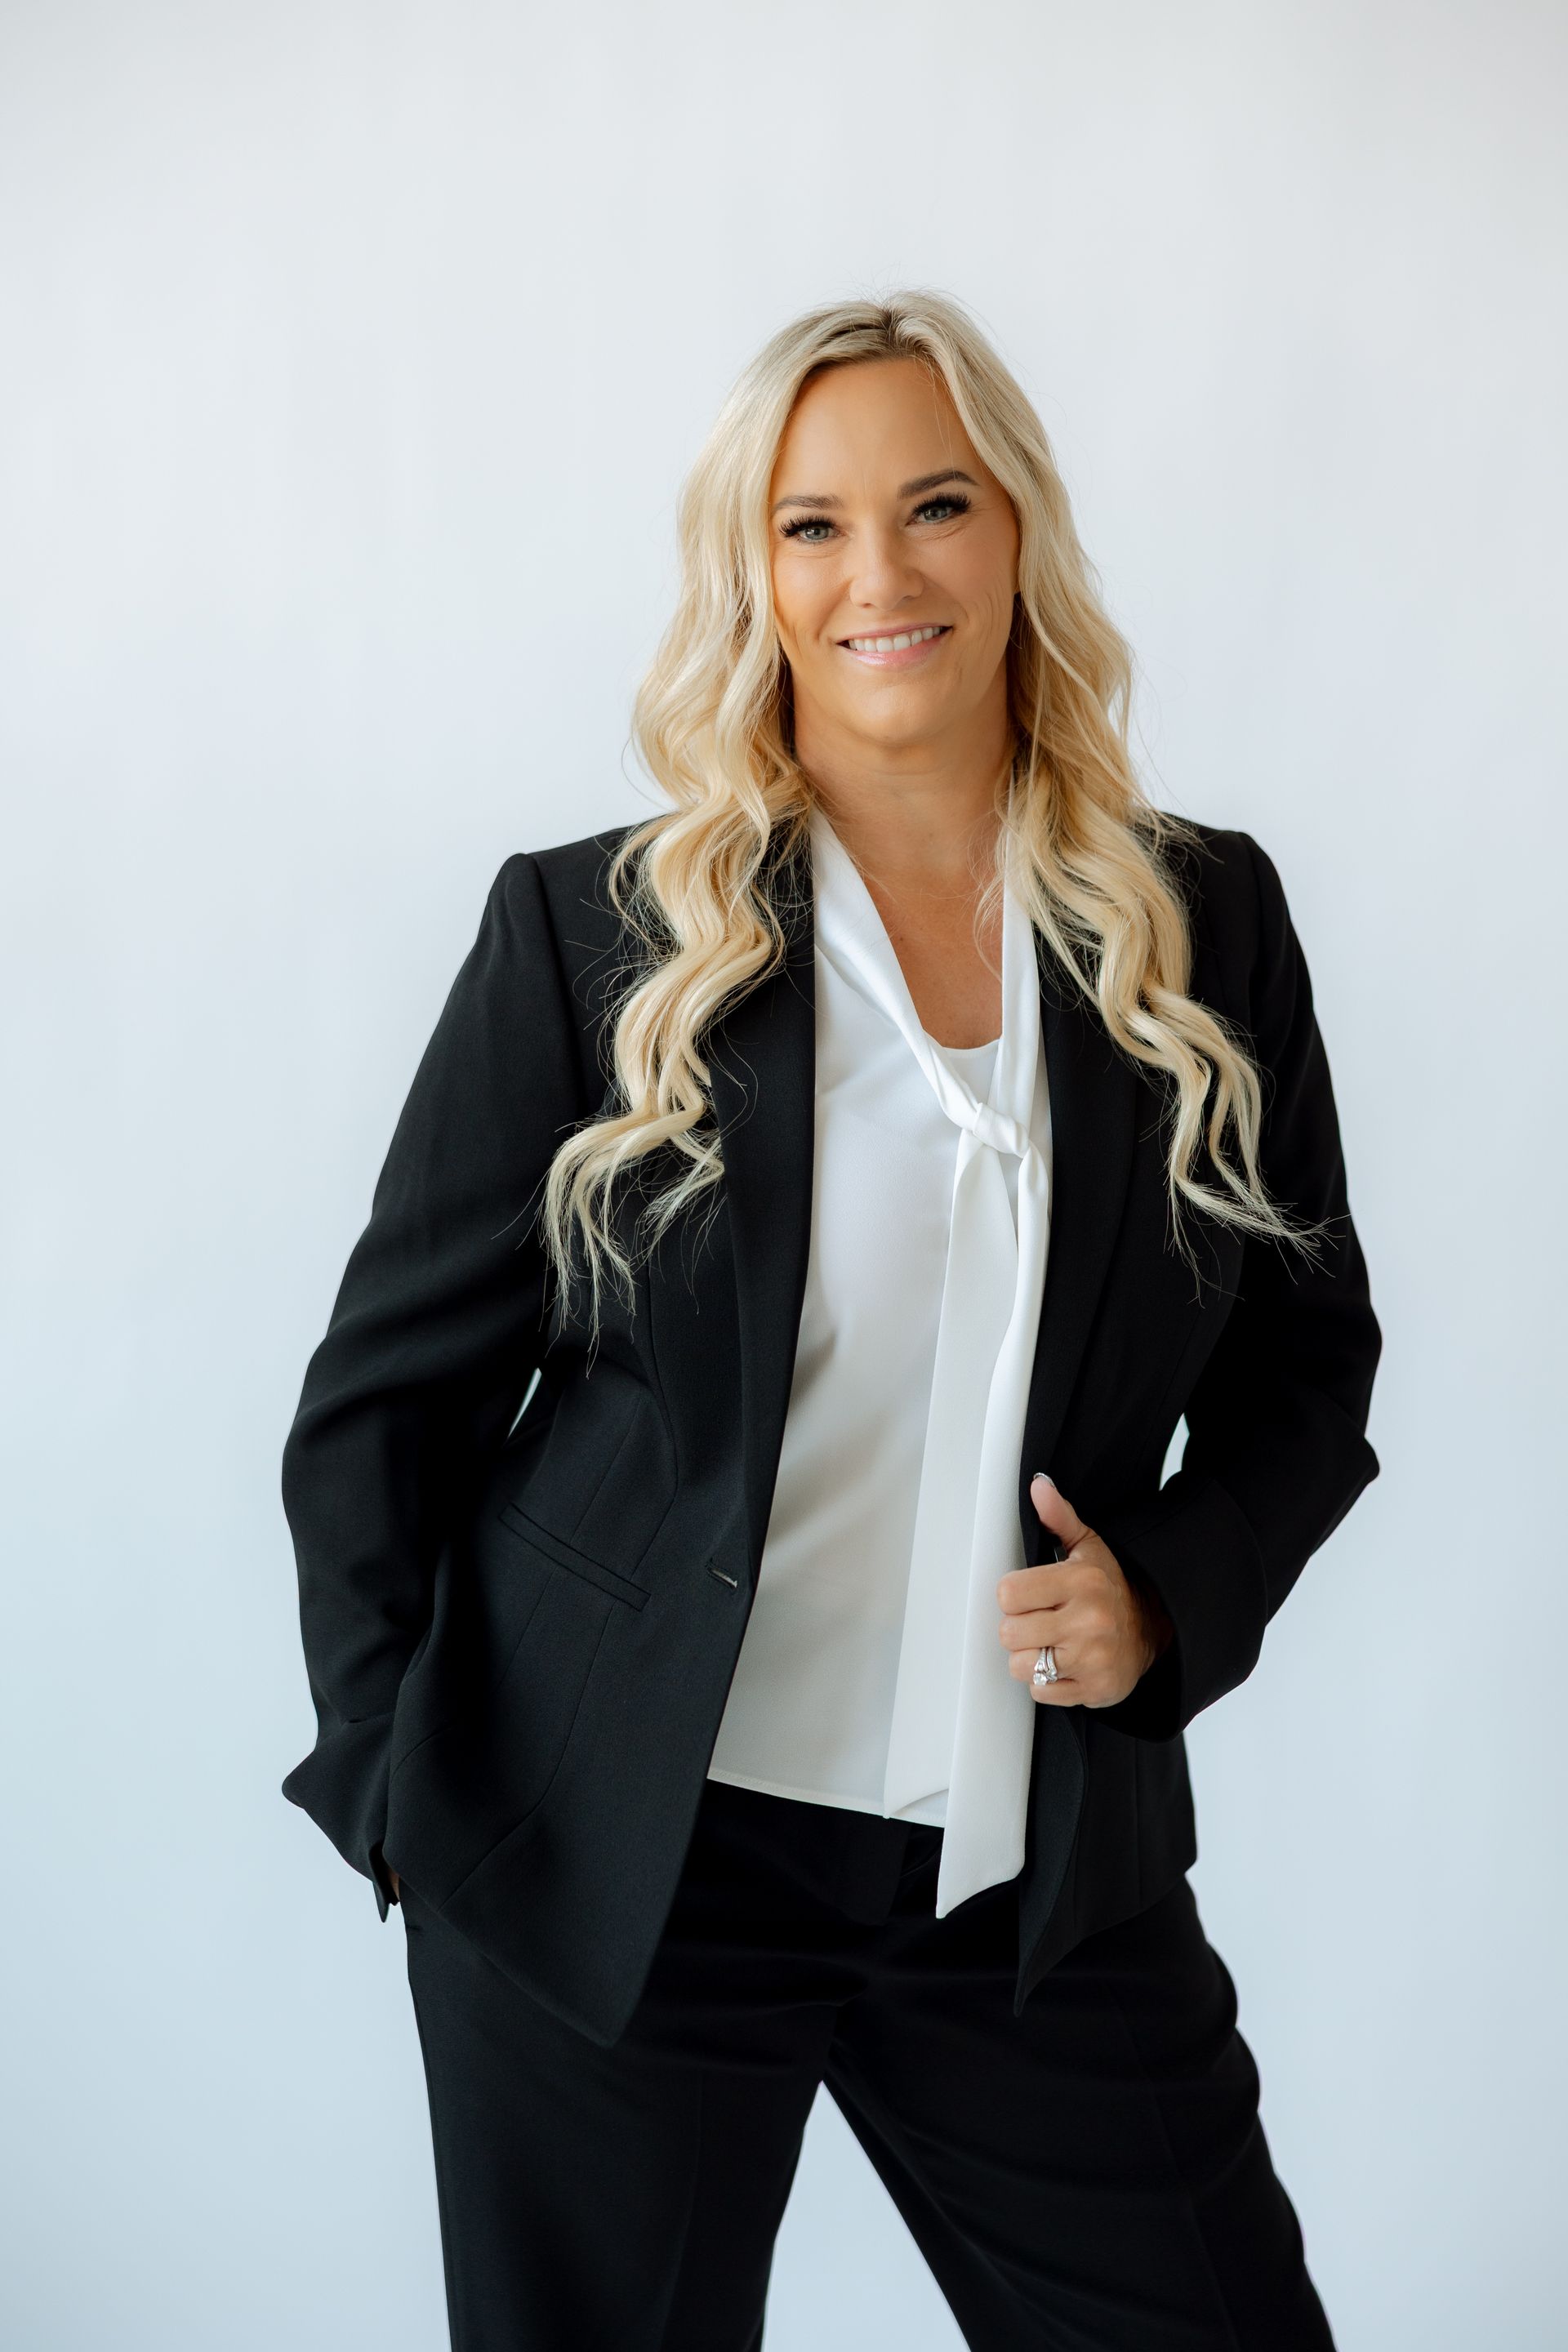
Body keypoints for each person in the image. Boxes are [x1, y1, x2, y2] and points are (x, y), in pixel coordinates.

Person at [280, 291, 1380, 2351]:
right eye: (810, 527)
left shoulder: (1199, 923)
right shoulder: (596, 935)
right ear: (752, 578)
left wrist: (1164, 1599)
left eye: (936, 504)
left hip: (1029, 1885)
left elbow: (1314, 1375)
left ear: (1019, 534)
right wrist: (394, 1789)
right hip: (623, 1877)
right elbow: (382, 1403)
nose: (881, 575)